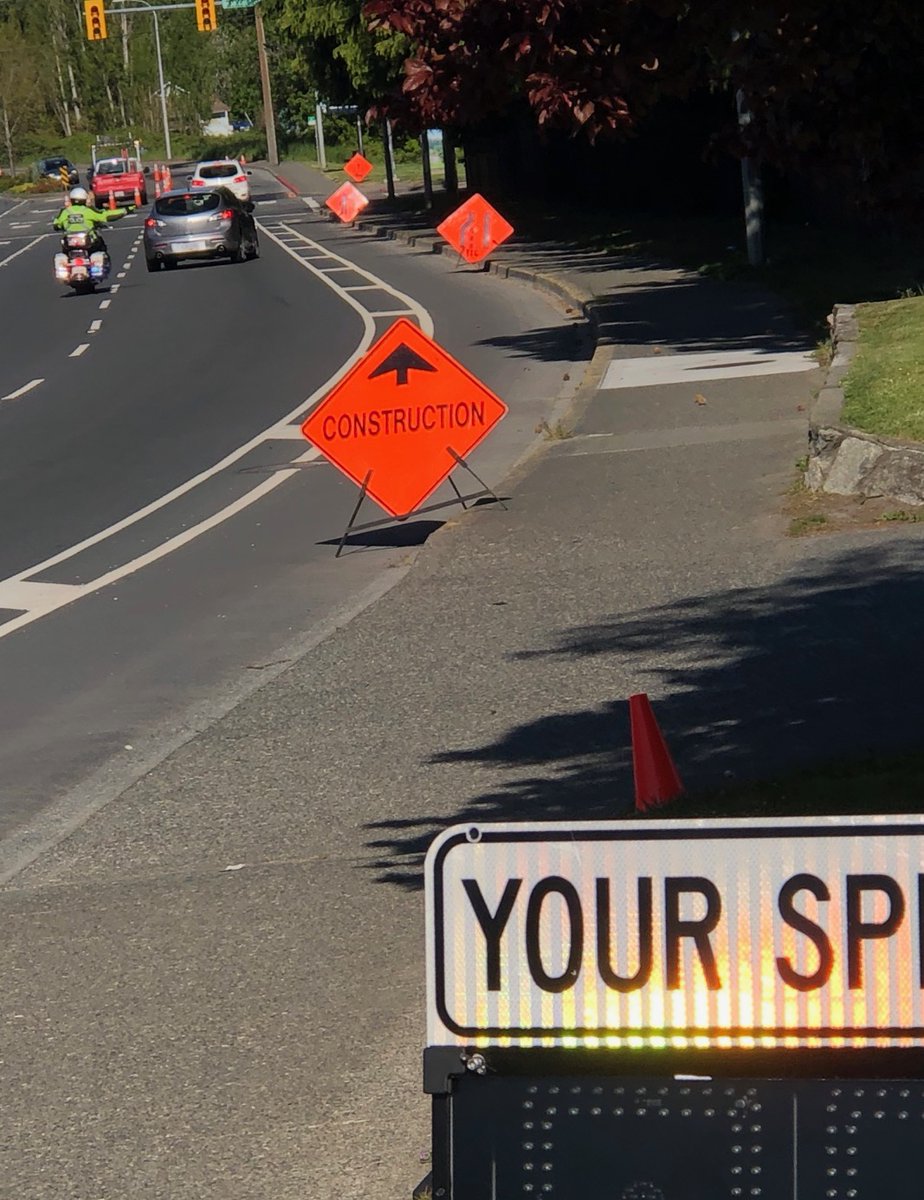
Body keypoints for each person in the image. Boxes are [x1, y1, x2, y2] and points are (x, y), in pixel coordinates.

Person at [52, 187, 131, 256]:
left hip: (70, 244)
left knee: (65, 251)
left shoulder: (65, 212)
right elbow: (105, 216)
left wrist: (58, 226)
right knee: (100, 246)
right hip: (89, 243)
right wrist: (126, 210)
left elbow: (56, 223)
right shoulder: (88, 211)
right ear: (85, 199)